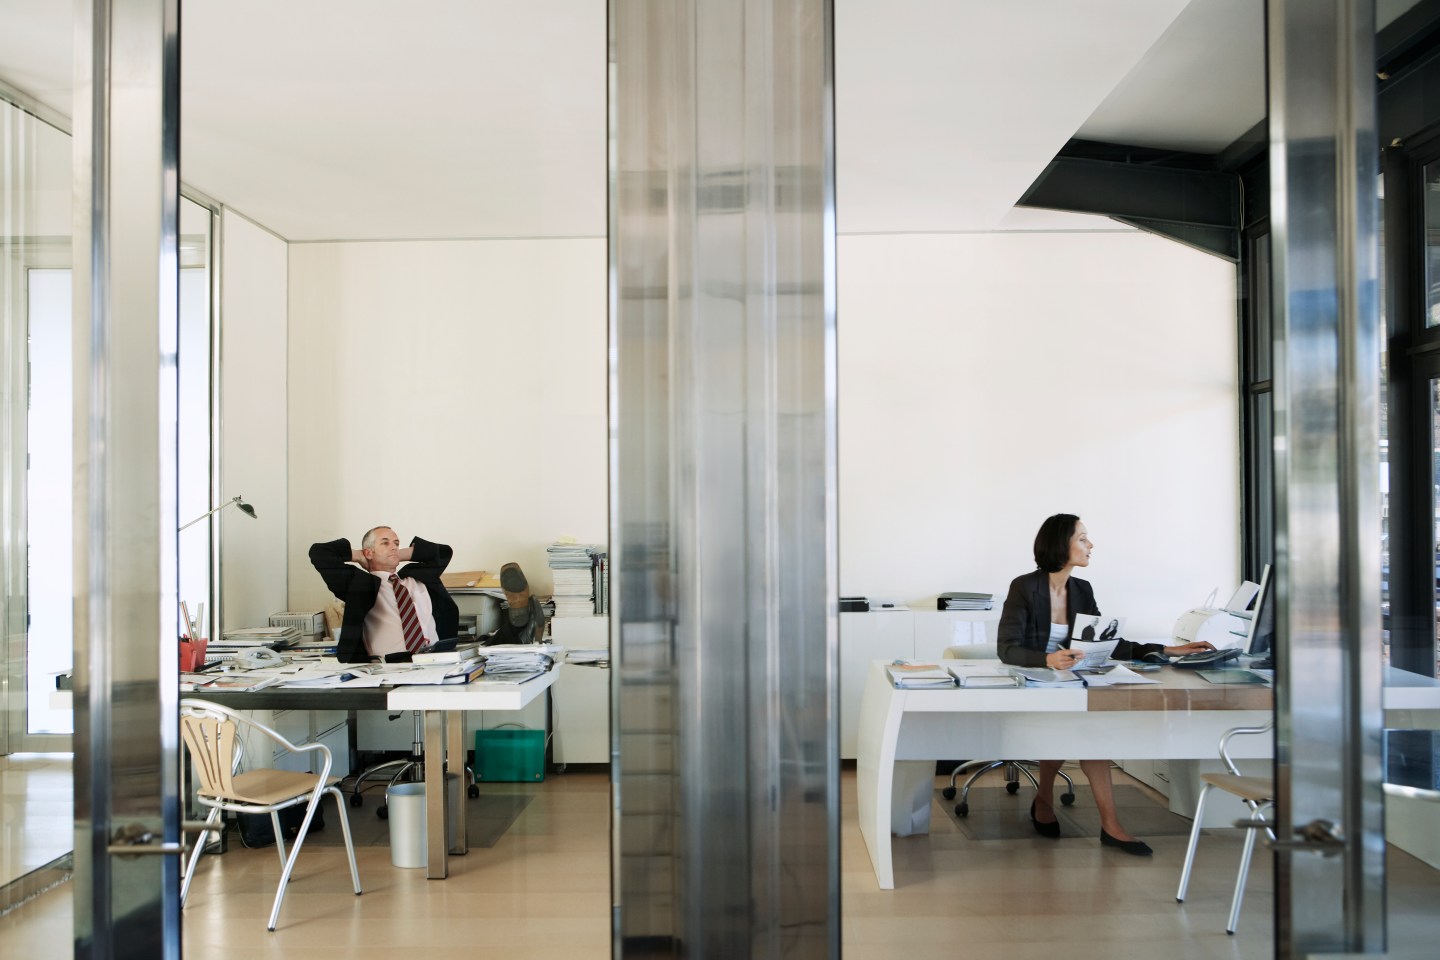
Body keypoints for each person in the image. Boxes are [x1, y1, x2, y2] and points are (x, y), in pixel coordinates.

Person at [996, 513, 1216, 856]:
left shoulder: (1082, 590)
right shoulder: (1024, 587)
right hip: (1034, 682)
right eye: (1082, 538)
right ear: (1061, 544)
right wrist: (1048, 659)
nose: (1091, 545)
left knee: (1088, 731)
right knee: (1074, 729)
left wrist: (1166, 649)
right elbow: (1007, 648)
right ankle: (1056, 803)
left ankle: (1097, 820)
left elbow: (1108, 643)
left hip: (1072, 682)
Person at [309, 527, 545, 663]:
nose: (394, 546)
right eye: (385, 543)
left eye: (397, 542)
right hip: (393, 664)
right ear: (368, 551)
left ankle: (519, 619)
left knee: (485, 648)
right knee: (491, 647)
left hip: (437, 656)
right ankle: (521, 625)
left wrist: (398, 555)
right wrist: (360, 555)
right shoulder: (359, 584)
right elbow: (319, 553)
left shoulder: (415, 578)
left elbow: (443, 552)